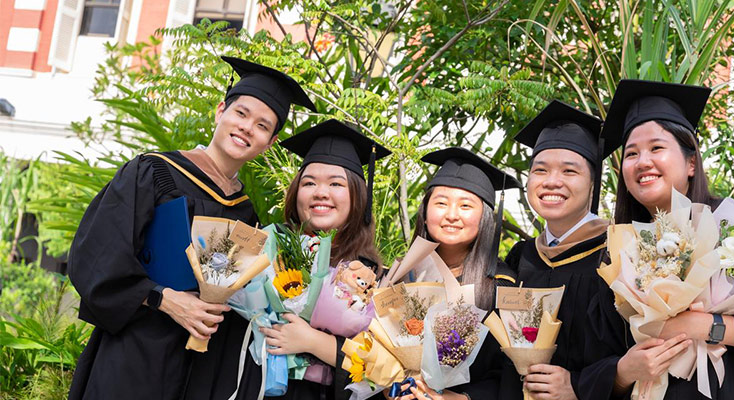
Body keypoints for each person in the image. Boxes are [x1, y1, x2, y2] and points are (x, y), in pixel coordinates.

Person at [67, 56, 316, 399]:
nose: (247, 128)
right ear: (220, 112)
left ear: (270, 142)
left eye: (262, 125)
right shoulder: (154, 173)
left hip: (200, 371)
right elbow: (97, 256)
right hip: (133, 356)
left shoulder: (246, 214)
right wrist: (164, 299)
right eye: (241, 114)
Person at [581, 79, 734, 399]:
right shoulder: (618, 255)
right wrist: (623, 372)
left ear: (691, 162)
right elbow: (595, 356)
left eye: (656, 148)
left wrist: (710, 326)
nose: (643, 162)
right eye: (631, 153)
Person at [260, 119, 391, 400]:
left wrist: (315, 342)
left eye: (335, 183)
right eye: (309, 183)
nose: (321, 192)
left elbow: (386, 369)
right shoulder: (268, 254)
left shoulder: (379, 280)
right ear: (296, 193)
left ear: (358, 197)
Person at [495, 100, 617, 400]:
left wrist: (579, 384)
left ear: (592, 183)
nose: (552, 182)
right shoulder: (520, 258)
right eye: (540, 170)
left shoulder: (615, 253)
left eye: (569, 171)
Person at [390, 146, 523, 400]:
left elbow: (511, 375)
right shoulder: (401, 276)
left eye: (465, 205)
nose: (451, 215)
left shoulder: (502, 286)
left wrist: (460, 398)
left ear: (484, 217)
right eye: (441, 203)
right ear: (426, 211)